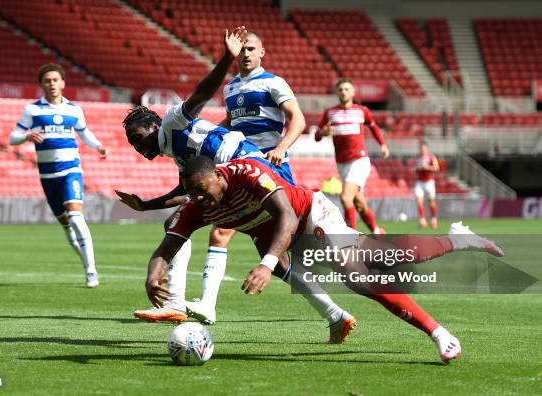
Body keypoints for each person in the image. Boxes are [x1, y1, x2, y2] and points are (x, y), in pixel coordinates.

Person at [117, 27, 356, 344]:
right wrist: (145, 205)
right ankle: (336, 314)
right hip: (239, 172)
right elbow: (188, 193)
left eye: (137, 138)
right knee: (279, 255)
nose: (137, 146)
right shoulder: (178, 151)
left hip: (257, 168)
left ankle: (183, 303)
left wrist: (225, 59)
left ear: (153, 125)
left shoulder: (174, 119)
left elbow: (202, 93)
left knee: (285, 245)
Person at [143, 155, 504, 363]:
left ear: (218, 176)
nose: (199, 200)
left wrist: (267, 264)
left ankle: (455, 255)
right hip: (273, 236)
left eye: (202, 191)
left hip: (307, 215)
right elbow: (166, 248)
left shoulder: (247, 173)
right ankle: (346, 320)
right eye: (192, 194)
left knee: (366, 270)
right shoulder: (196, 207)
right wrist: (153, 275)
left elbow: (285, 213)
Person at [183, 30, 307, 324]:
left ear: (262, 52)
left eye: (252, 49)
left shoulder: (273, 82)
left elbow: (298, 119)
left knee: (279, 244)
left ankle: (208, 305)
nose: (246, 54)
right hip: (241, 168)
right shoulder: (230, 89)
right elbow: (232, 122)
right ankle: (329, 307)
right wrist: (209, 136)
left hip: (269, 167)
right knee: (246, 243)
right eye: (242, 50)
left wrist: (281, 147)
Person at [9, 63, 107, 288]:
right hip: (48, 176)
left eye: (55, 80)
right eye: (47, 80)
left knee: (75, 217)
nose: (52, 84)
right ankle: (85, 262)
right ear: (41, 84)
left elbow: (84, 133)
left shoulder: (74, 110)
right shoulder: (32, 110)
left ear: (62, 83)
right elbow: (12, 137)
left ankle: (91, 271)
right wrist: (26, 137)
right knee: (65, 224)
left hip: (71, 170)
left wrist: (98, 146)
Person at [315, 78, 388, 235]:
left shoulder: (362, 111)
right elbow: (316, 136)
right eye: (341, 89)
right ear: (337, 92)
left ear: (353, 92)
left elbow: (374, 127)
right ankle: (377, 231)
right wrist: (322, 133)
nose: (344, 92)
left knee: (345, 197)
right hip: (342, 163)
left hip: (360, 160)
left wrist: (383, 145)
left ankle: (351, 238)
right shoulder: (330, 113)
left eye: (347, 89)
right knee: (359, 203)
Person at [414, 140, 440, 229]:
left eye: (423, 148)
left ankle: (434, 220)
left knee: (431, 202)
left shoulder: (431, 157)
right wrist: (417, 169)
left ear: (427, 148)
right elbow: (415, 169)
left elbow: (437, 168)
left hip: (429, 181)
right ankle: (422, 221)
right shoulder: (417, 157)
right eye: (421, 148)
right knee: (419, 200)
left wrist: (427, 167)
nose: (422, 149)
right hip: (420, 181)